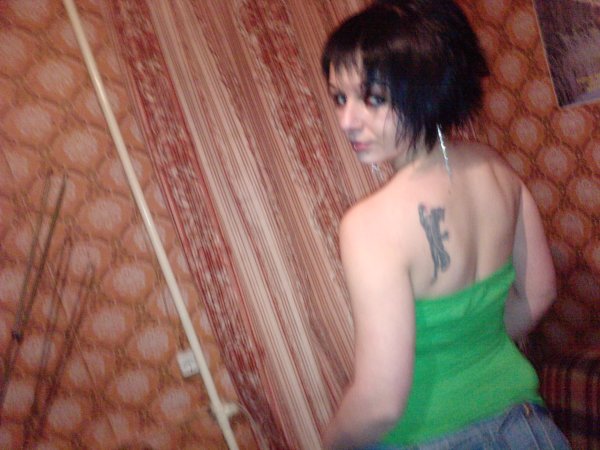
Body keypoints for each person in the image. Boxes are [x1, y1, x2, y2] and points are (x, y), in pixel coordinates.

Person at [319, 0, 570, 448]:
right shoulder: (496, 169)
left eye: (372, 98)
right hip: (528, 427)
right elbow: (538, 293)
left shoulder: (368, 225)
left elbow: (380, 404)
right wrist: (469, 354)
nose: (347, 120)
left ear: (425, 89)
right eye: (340, 97)